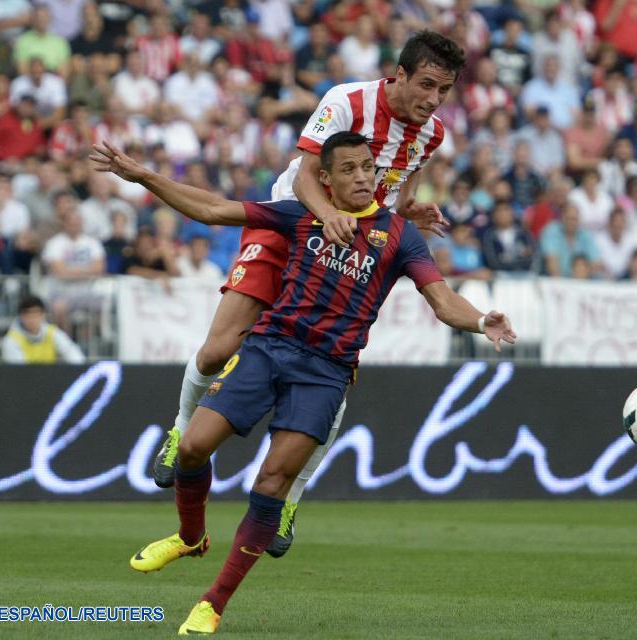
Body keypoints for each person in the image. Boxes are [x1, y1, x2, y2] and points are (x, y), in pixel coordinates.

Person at [90, 131, 516, 635]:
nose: (363, 177)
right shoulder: (301, 214)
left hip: (325, 372)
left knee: (270, 483)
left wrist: (480, 319)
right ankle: (190, 537)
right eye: (350, 169)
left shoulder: (400, 235)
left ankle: (213, 603)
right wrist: (143, 176)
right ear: (326, 179)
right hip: (268, 350)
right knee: (192, 448)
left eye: (368, 169)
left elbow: (444, 301)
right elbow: (212, 210)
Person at [145, 30, 464, 559]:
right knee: (218, 349)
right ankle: (181, 431)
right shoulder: (346, 101)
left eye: (445, 90)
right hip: (290, 228)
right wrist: (329, 214)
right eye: (426, 85)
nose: (433, 99)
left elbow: (397, 190)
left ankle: (292, 496)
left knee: (330, 371)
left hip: (350, 251)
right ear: (399, 74)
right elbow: (303, 182)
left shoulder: (429, 136)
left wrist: (408, 211)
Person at [1, 294, 85, 364]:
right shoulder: (12, 340)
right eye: (28, 315)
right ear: (21, 316)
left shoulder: (52, 333)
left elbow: (72, 353)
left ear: (43, 315)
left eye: (36, 314)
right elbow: (17, 371)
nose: (32, 319)